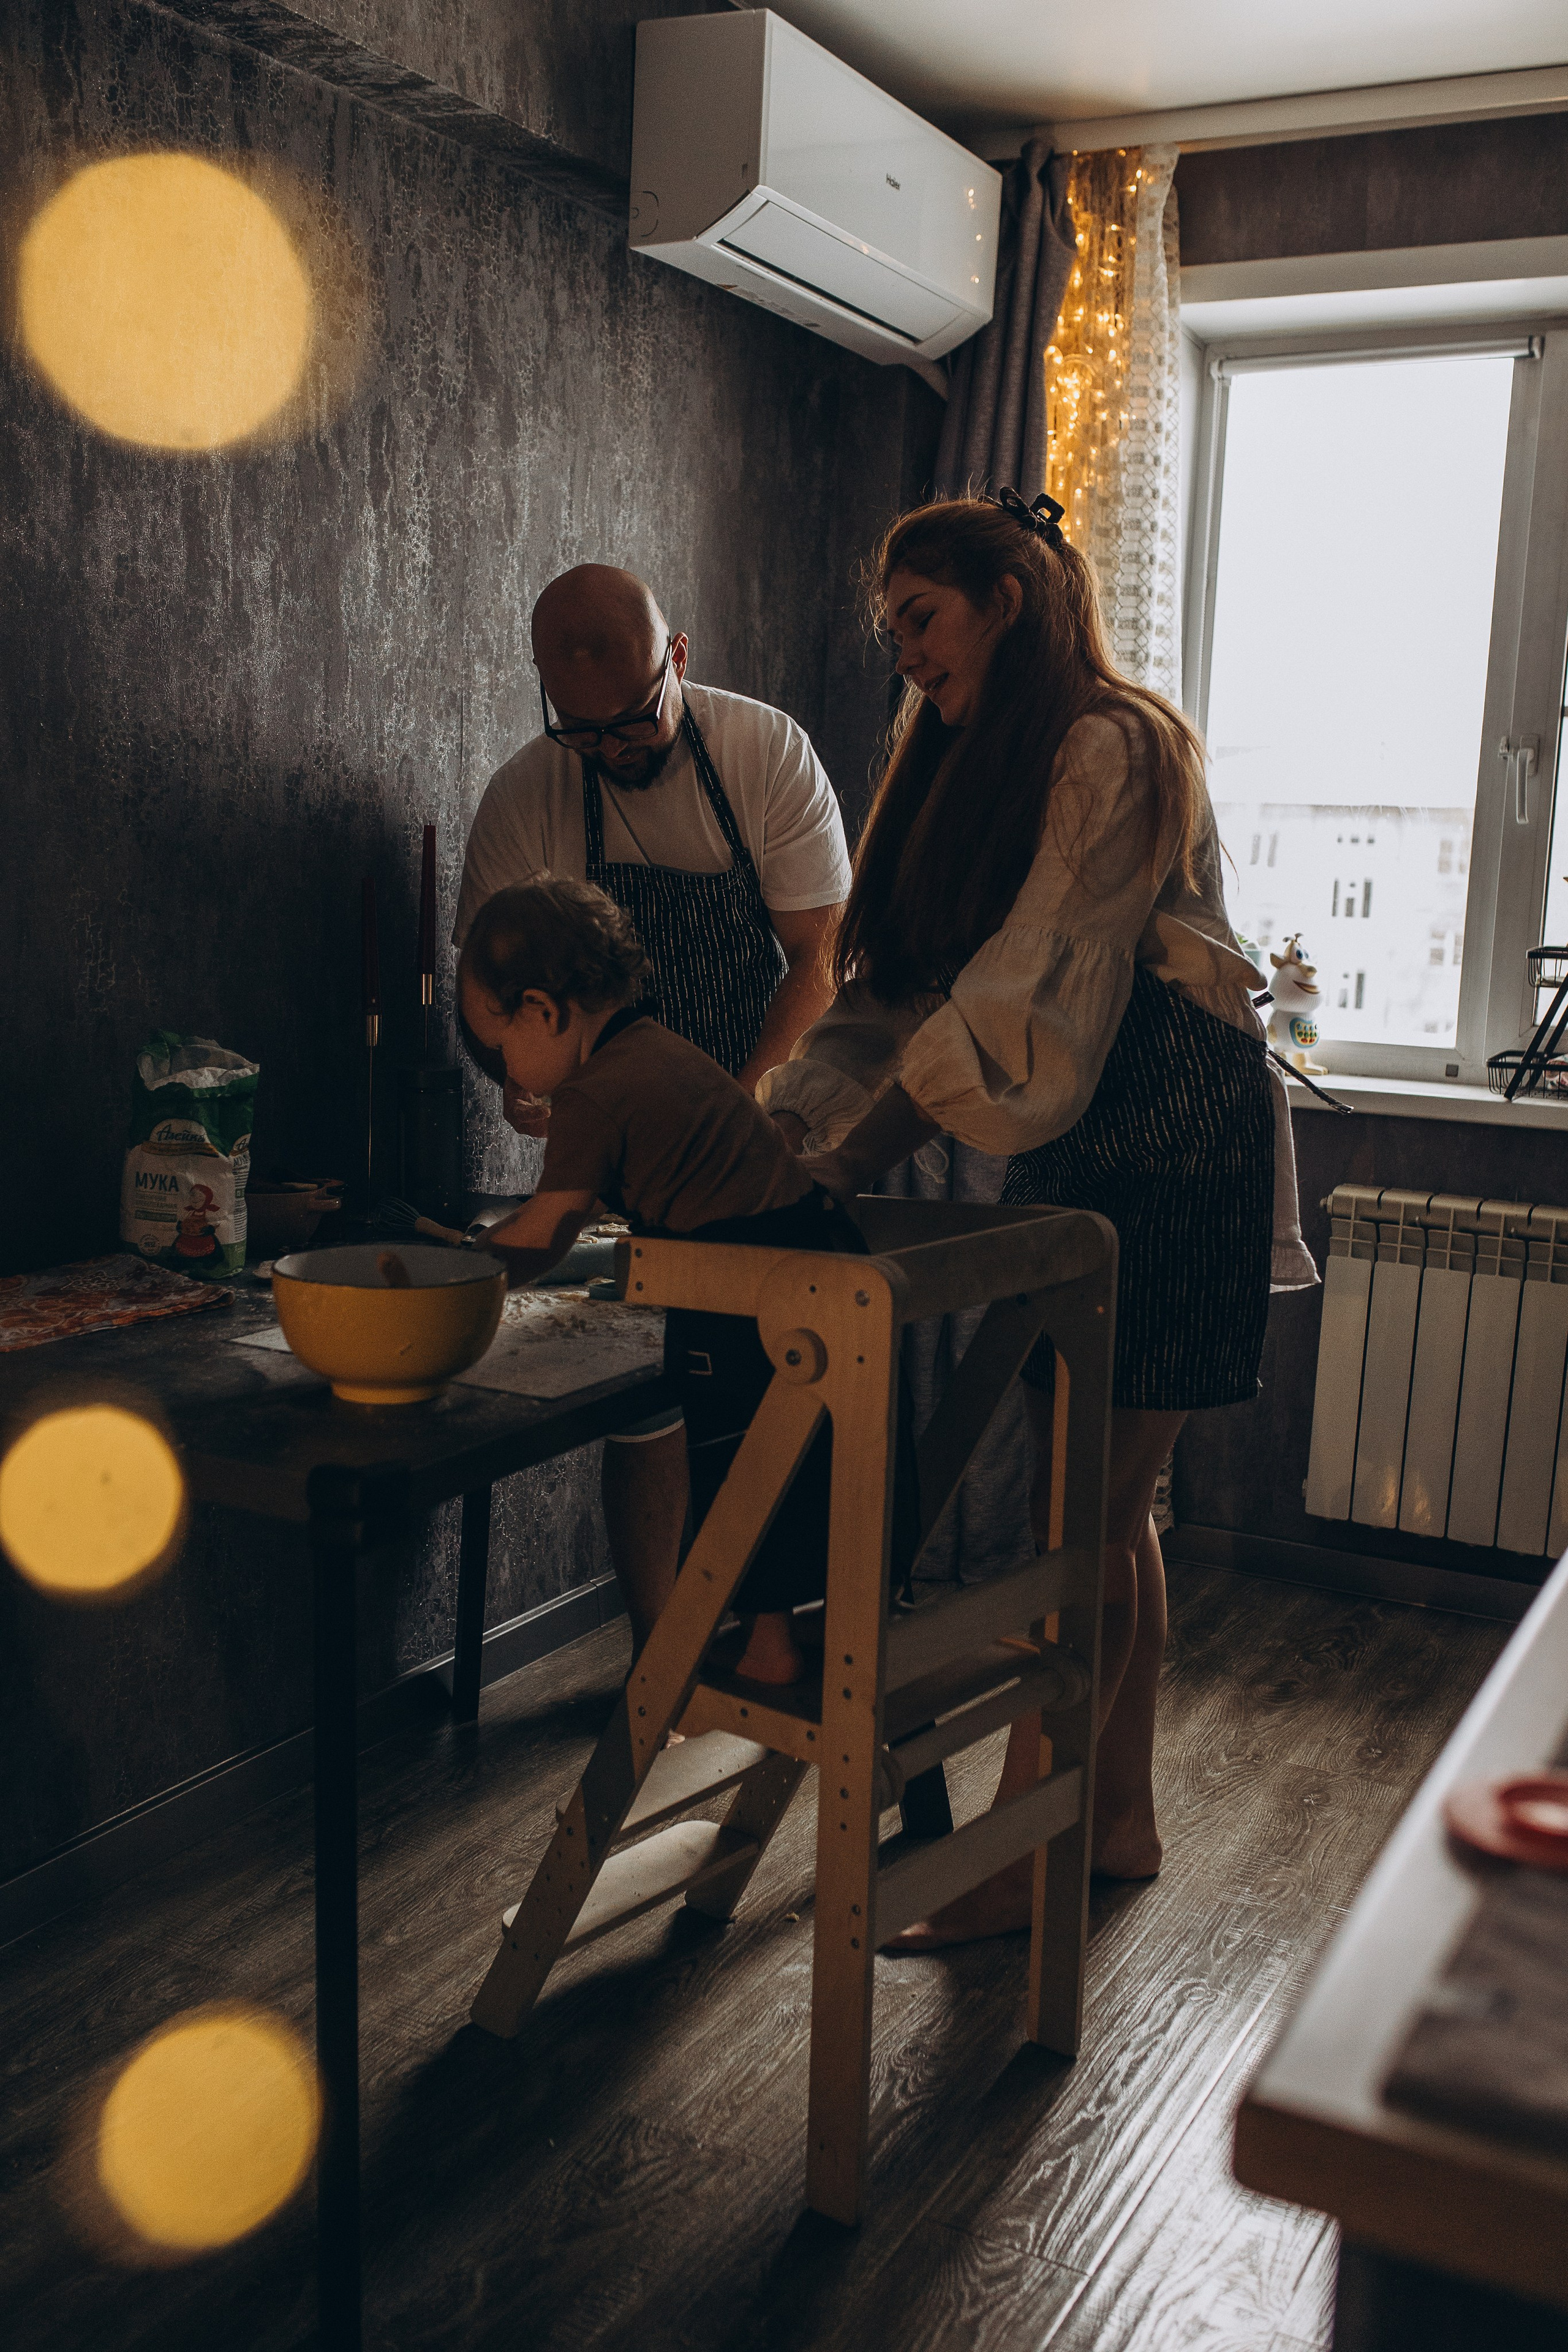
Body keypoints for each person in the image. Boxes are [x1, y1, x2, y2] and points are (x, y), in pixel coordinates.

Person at [759, 491, 1315, 1945]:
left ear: (1008, 597)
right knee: (1109, 1512)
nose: (905, 657)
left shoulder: (1109, 743)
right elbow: (896, 988)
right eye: (890, 635)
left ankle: (1025, 1853)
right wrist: (775, 1129)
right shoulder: (965, 760)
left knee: (1085, 1517)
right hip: (1104, 1137)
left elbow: (1025, 985)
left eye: (921, 620)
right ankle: (1111, 1821)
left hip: (1173, 1135)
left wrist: (858, 1145)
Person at [455, 565, 850, 1654]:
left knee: (773, 1401)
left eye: (634, 721)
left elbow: (821, 959)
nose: (616, 750)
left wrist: (730, 1108)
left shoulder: (764, 753)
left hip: (767, 1130)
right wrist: (528, 1089)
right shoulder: (526, 795)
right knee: (652, 1400)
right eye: (584, 736)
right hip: (652, 1157)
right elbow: (488, 997)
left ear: (678, 660)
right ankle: (662, 1654)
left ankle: (779, 1637)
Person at [458, 875, 873, 1684]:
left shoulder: (594, 1093)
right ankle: (776, 1633)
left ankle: (764, 1646)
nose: (506, 1072)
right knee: (786, 1458)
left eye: (500, 1046)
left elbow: (547, 1232)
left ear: (544, 1011)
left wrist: (459, 1275)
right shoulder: (656, 1048)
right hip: (813, 1254)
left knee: (735, 1461)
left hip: (748, 1283)